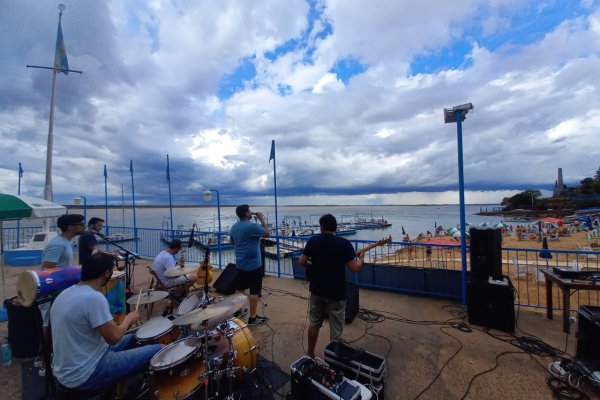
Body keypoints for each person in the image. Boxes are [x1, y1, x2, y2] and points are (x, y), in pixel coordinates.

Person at [51, 253, 161, 398]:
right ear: (107, 273)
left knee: (134, 338)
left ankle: (120, 395)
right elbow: (114, 338)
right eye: (113, 270)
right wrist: (129, 319)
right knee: (159, 349)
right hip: (87, 372)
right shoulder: (93, 298)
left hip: (70, 367)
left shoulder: (65, 294)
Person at [299, 214, 364, 358]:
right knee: (336, 330)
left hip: (317, 290)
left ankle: (310, 354)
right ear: (336, 227)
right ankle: (332, 359)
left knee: (314, 324)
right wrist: (361, 260)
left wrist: (311, 264)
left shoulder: (313, 241)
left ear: (322, 227)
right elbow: (354, 268)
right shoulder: (344, 244)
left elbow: (302, 261)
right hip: (336, 293)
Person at [229, 204, 270, 326]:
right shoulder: (252, 226)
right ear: (247, 214)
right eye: (250, 211)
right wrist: (262, 218)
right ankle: (253, 318)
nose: (251, 212)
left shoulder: (234, 226)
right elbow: (267, 234)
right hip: (253, 265)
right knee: (254, 291)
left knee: (240, 288)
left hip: (240, 263)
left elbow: (232, 241)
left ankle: (238, 311)